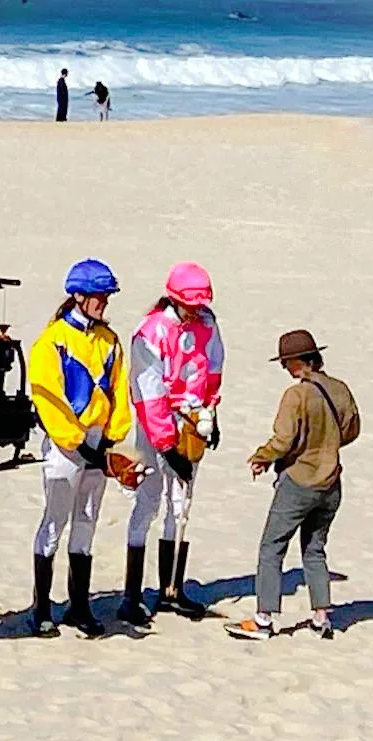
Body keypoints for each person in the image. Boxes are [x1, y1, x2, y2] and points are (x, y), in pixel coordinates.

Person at [225, 330, 360, 641]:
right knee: (315, 549)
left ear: (298, 362)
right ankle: (321, 618)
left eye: (286, 363)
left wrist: (262, 457)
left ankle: (264, 619)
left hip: (300, 481)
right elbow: (352, 431)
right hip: (332, 481)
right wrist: (325, 444)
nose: (285, 368)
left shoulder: (296, 395)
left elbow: (283, 440)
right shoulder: (339, 389)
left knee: (272, 547)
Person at [28, 259, 133, 638]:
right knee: (55, 521)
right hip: (64, 444)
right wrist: (75, 442)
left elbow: (121, 390)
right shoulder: (52, 340)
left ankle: (79, 605)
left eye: (107, 296)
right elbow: (47, 395)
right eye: (99, 296)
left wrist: (110, 438)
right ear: (78, 295)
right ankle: (41, 608)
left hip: (97, 441)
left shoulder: (109, 341)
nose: (105, 302)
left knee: (86, 521)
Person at [118, 262, 225, 626]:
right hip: (155, 423)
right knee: (148, 500)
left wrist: (210, 415)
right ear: (175, 298)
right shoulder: (149, 332)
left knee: (181, 505)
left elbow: (212, 370)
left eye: (199, 303)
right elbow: (149, 393)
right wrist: (166, 446)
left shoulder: (207, 324)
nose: (196, 309)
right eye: (189, 303)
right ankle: (131, 596)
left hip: (192, 419)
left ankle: (171, 589)